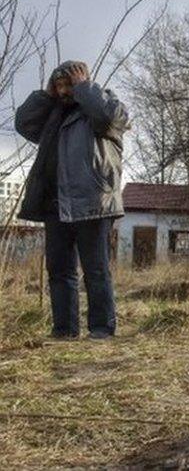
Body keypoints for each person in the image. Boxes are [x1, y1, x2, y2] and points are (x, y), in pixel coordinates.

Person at [14, 61, 130, 340]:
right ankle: (64, 330)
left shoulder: (104, 106)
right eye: (60, 86)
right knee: (59, 270)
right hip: (56, 204)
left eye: (69, 84)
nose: (65, 91)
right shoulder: (53, 115)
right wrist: (47, 95)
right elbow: (23, 123)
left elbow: (106, 117)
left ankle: (102, 329)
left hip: (91, 202)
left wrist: (83, 87)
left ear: (84, 82)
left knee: (96, 270)